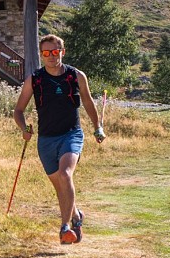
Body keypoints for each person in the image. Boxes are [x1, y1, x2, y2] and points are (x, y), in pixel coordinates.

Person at [13, 34, 106, 244]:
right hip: (45, 140)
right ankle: (76, 216)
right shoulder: (35, 79)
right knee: (60, 187)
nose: (51, 57)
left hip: (71, 134)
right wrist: (24, 128)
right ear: (41, 55)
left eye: (55, 52)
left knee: (65, 175)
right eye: (46, 53)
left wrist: (97, 127)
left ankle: (65, 227)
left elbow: (88, 102)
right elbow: (18, 110)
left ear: (62, 52)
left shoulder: (76, 76)